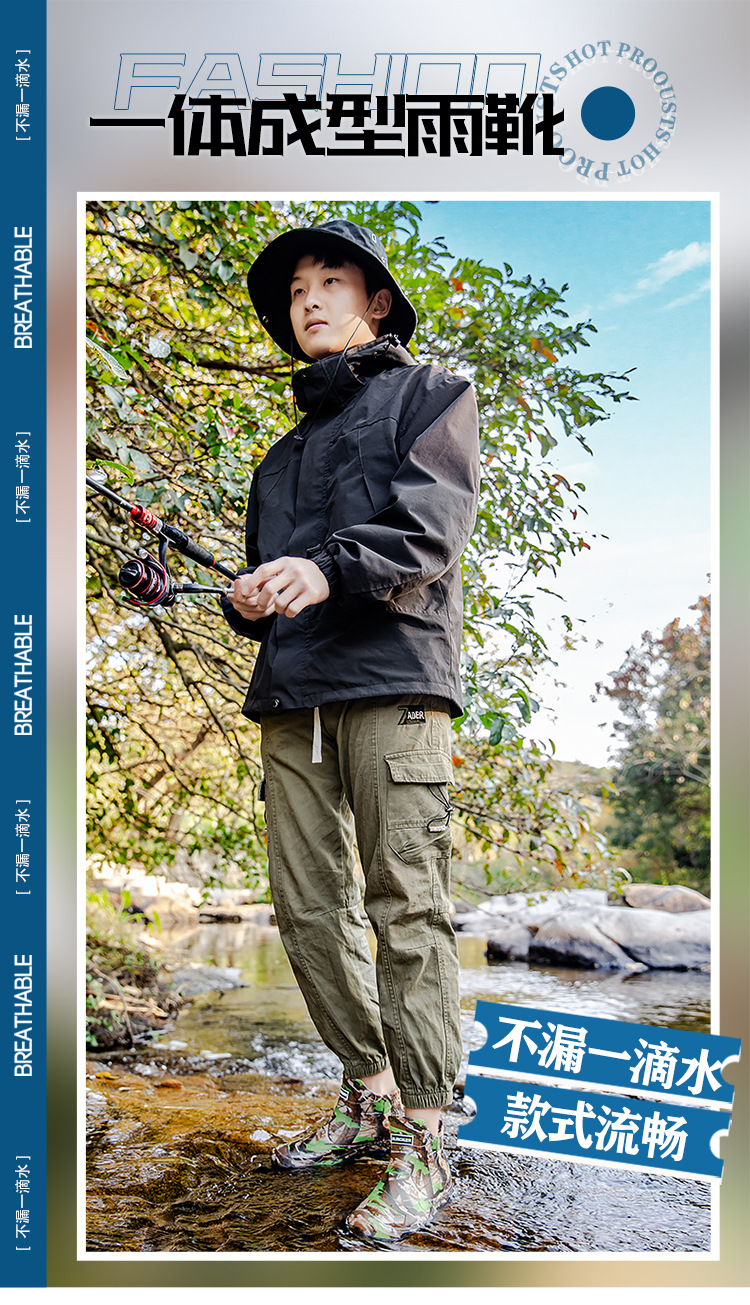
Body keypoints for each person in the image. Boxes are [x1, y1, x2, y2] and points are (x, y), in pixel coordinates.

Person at [222, 218, 480, 1242]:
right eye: (295, 292)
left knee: (406, 905)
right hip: (293, 693)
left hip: (395, 680)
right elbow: (269, 583)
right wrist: (244, 599)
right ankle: (369, 1092)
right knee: (305, 907)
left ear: (375, 302)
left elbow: (430, 528)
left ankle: (428, 1134)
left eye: (330, 282)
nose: (309, 300)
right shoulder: (278, 458)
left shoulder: (432, 396)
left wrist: (326, 568)